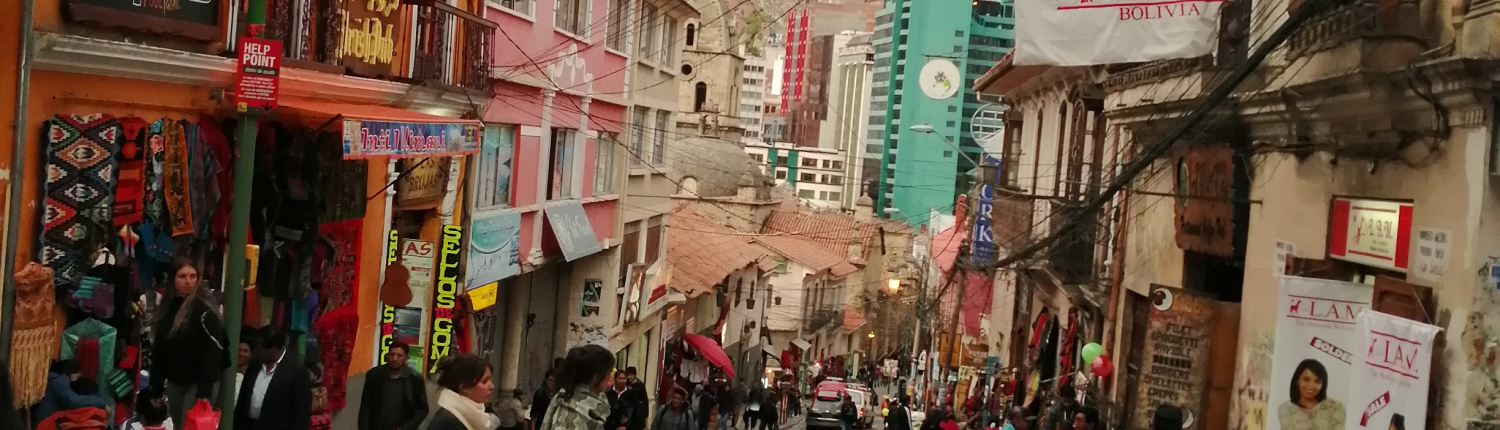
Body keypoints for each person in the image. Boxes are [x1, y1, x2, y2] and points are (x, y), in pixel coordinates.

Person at [151, 259, 229, 427]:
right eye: (182, 276)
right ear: (173, 279)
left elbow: (214, 351)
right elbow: (160, 351)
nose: (188, 281)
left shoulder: (204, 310)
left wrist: (204, 391)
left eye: (192, 276)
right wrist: (156, 387)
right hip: (175, 381)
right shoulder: (167, 309)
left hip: (198, 383)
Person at [234, 328, 312, 430]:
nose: (257, 352)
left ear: (274, 349)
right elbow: (242, 401)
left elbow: (301, 413)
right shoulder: (254, 365)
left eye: (260, 349)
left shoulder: (296, 371)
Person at [540, 345, 615, 430]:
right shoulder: (570, 416)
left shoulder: (597, 400)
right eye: (609, 373)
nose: (610, 378)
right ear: (595, 376)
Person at [358, 341, 430, 430]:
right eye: (392, 354)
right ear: (387, 356)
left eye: (400, 355)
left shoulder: (415, 379)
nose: (395, 359)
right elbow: (365, 407)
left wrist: (406, 427)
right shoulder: (375, 375)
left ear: (406, 358)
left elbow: (422, 409)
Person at [426, 354, 495, 430]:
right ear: (464, 388)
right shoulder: (448, 422)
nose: (492, 386)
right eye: (484, 381)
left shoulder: (474, 413)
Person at [1276, 359, 1344, 430]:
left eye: (1317, 381)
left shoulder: (1335, 408)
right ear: (1297, 380)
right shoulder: (1286, 409)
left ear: (1323, 385)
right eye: (1306, 379)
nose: (1311, 386)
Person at [35, 360, 106, 422]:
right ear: (70, 372)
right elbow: (74, 400)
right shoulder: (58, 382)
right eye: (77, 376)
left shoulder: (51, 378)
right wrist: (101, 403)